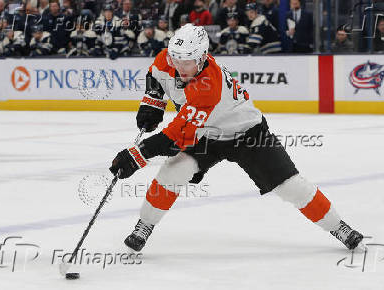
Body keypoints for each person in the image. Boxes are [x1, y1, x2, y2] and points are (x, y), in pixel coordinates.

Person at [109, 23, 365, 253]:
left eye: (186, 62)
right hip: (206, 133)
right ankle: (145, 225)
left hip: (247, 133)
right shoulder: (169, 59)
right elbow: (155, 76)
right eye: (175, 59)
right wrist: (152, 103)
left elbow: (176, 136)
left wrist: (135, 155)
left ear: (202, 58)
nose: (179, 66)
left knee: (290, 186)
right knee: (172, 172)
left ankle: (338, 226)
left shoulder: (209, 85)